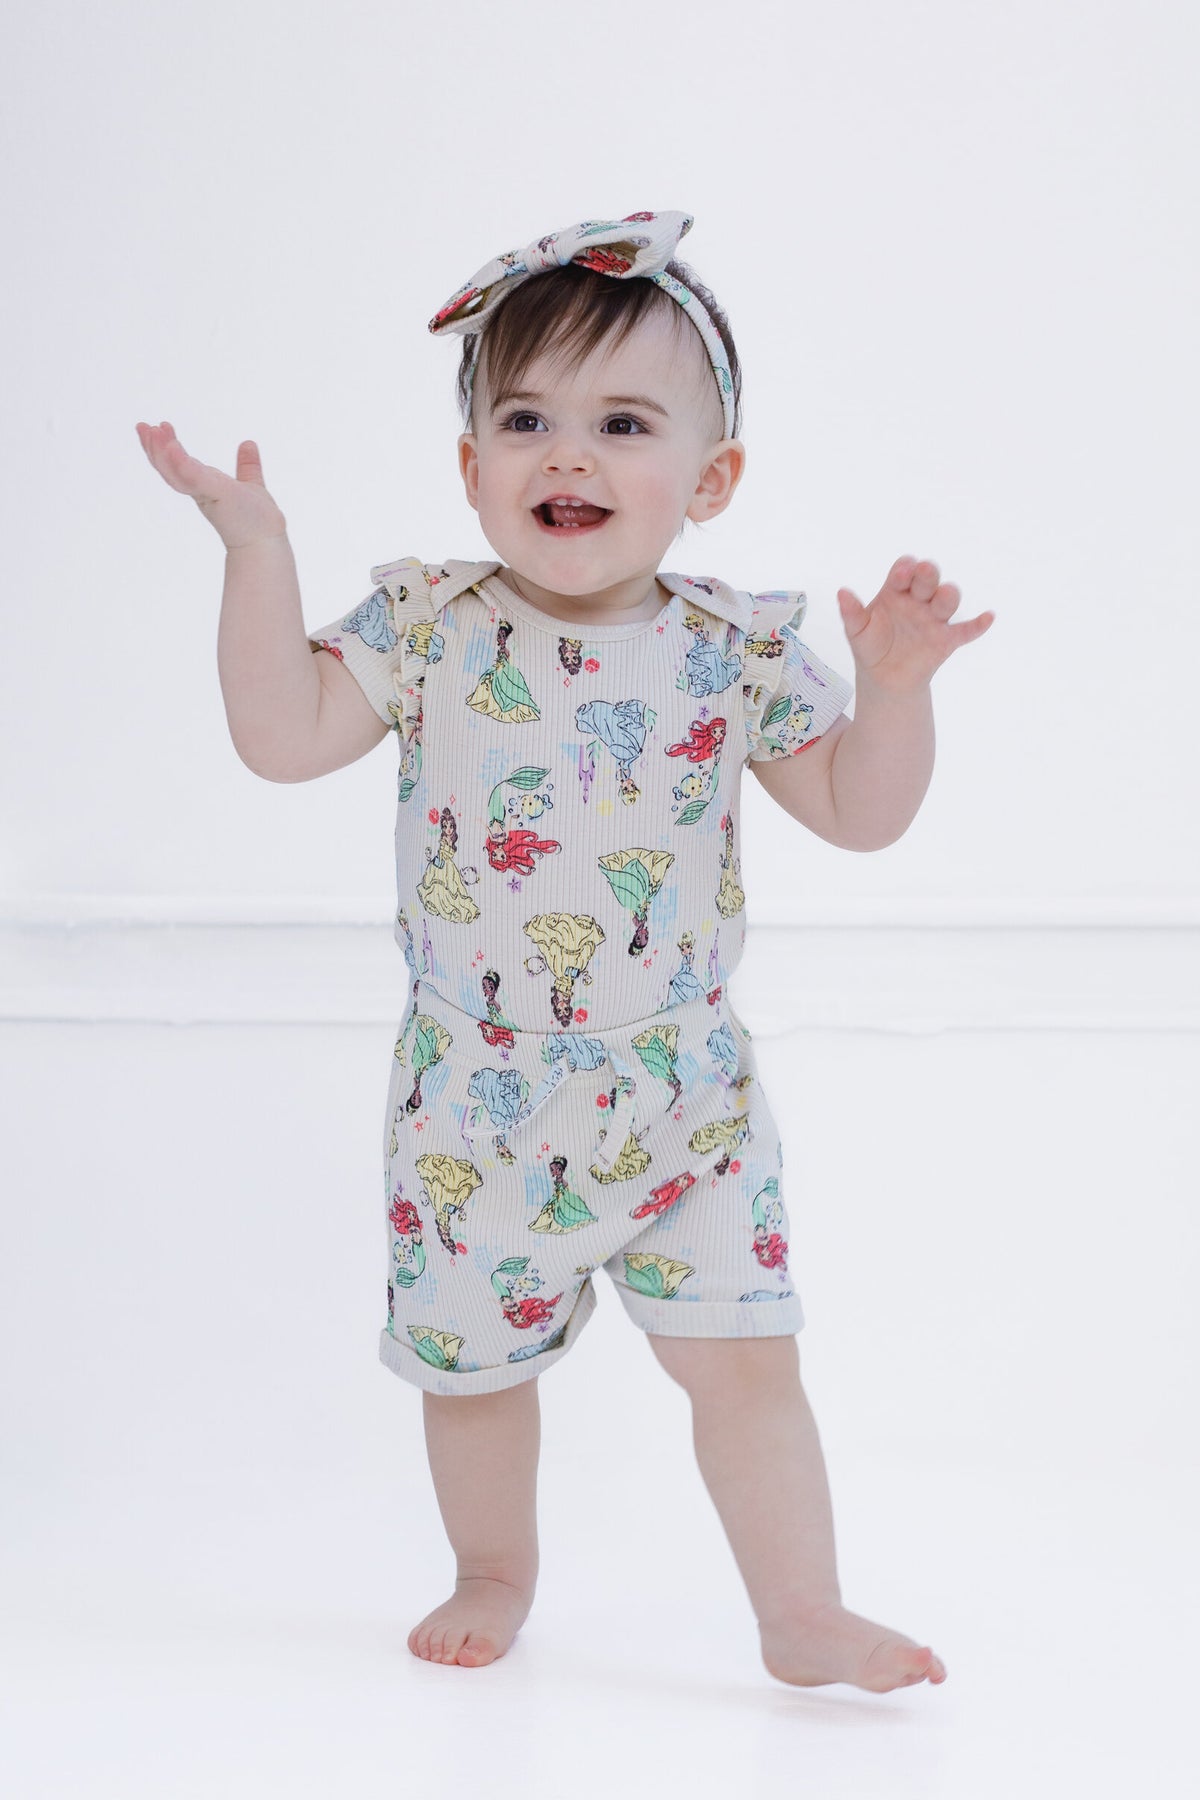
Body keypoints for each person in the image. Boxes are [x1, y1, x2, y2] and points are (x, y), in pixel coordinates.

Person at [135, 208, 994, 1693]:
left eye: (623, 424)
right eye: (525, 420)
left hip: (683, 1093)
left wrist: (897, 694)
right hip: (475, 1095)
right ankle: (495, 1565)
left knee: (747, 1361)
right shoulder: (429, 626)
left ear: (711, 481)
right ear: (471, 465)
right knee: (475, 1371)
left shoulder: (733, 648)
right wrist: (257, 552)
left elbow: (862, 816)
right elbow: (279, 738)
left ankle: (800, 1610)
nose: (567, 456)